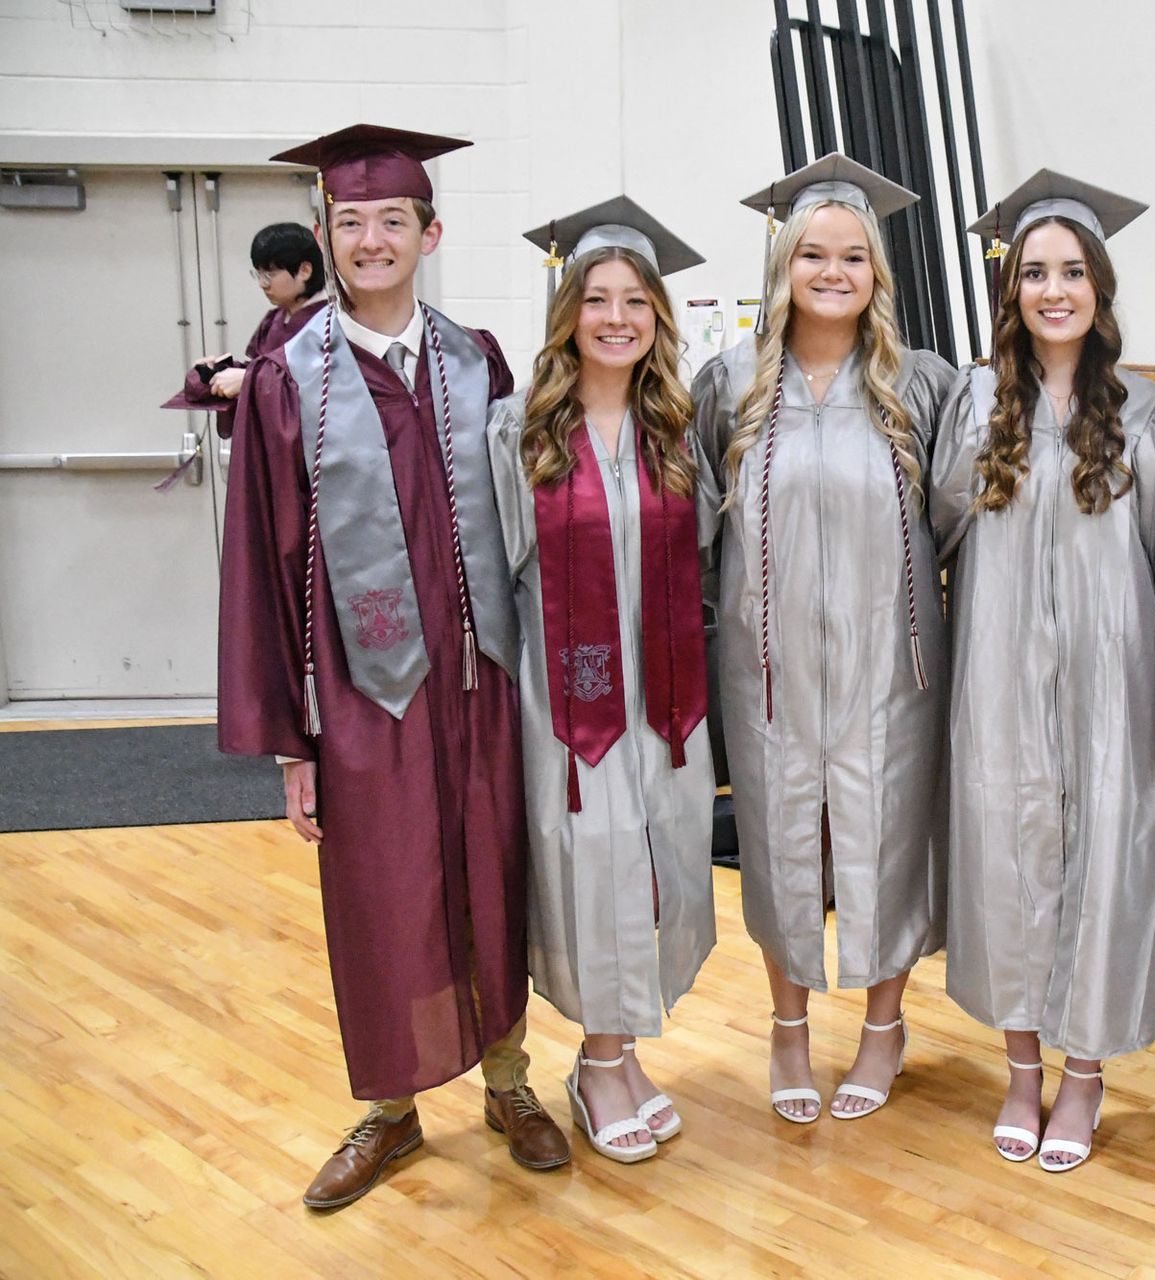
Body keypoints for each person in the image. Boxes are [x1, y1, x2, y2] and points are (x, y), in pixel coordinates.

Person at [218, 123, 567, 1210]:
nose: (373, 240)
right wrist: (291, 742)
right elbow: (261, 568)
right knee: (381, 895)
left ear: (430, 232)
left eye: (393, 221)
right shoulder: (289, 380)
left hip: (483, 683)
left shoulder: (478, 362)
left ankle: (508, 1078)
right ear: (327, 236)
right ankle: (391, 1108)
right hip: (369, 697)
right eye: (353, 223)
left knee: (495, 875)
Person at [690, 153, 958, 1124]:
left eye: (853, 256)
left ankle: (884, 1030)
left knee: (886, 838)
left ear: (876, 274)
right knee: (776, 841)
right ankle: (789, 1027)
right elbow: (691, 528)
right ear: (784, 264)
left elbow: (965, 517)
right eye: (813, 253)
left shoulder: (919, 387)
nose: (833, 271)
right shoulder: (727, 385)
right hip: (767, 671)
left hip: (893, 664)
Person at [931, 172, 1155, 1173]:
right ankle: (1022, 1066)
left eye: (1072, 270)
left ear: (1100, 286)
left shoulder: (1149, 413)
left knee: (1104, 861)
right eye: (1034, 272)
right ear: (1012, 291)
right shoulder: (976, 404)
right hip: (996, 675)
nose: (1054, 289)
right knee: (1007, 856)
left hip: (1111, 678)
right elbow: (943, 524)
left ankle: (1084, 1072)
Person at [487, 198, 717, 1163]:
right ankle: (599, 1058)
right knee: (594, 858)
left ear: (659, 317)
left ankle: (622, 1056)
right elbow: (495, 570)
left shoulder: (674, 429)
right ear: (567, 315)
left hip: (663, 697)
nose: (616, 318)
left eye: (635, 301)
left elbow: (702, 550)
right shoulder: (519, 433)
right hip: (568, 700)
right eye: (596, 300)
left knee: (658, 855)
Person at [165, 221, 328, 434]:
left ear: (304, 270)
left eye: (269, 274)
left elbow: (320, 388)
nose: (263, 283)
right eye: (258, 274)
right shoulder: (275, 319)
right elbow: (265, 368)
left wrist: (248, 381)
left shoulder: (328, 322)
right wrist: (222, 369)